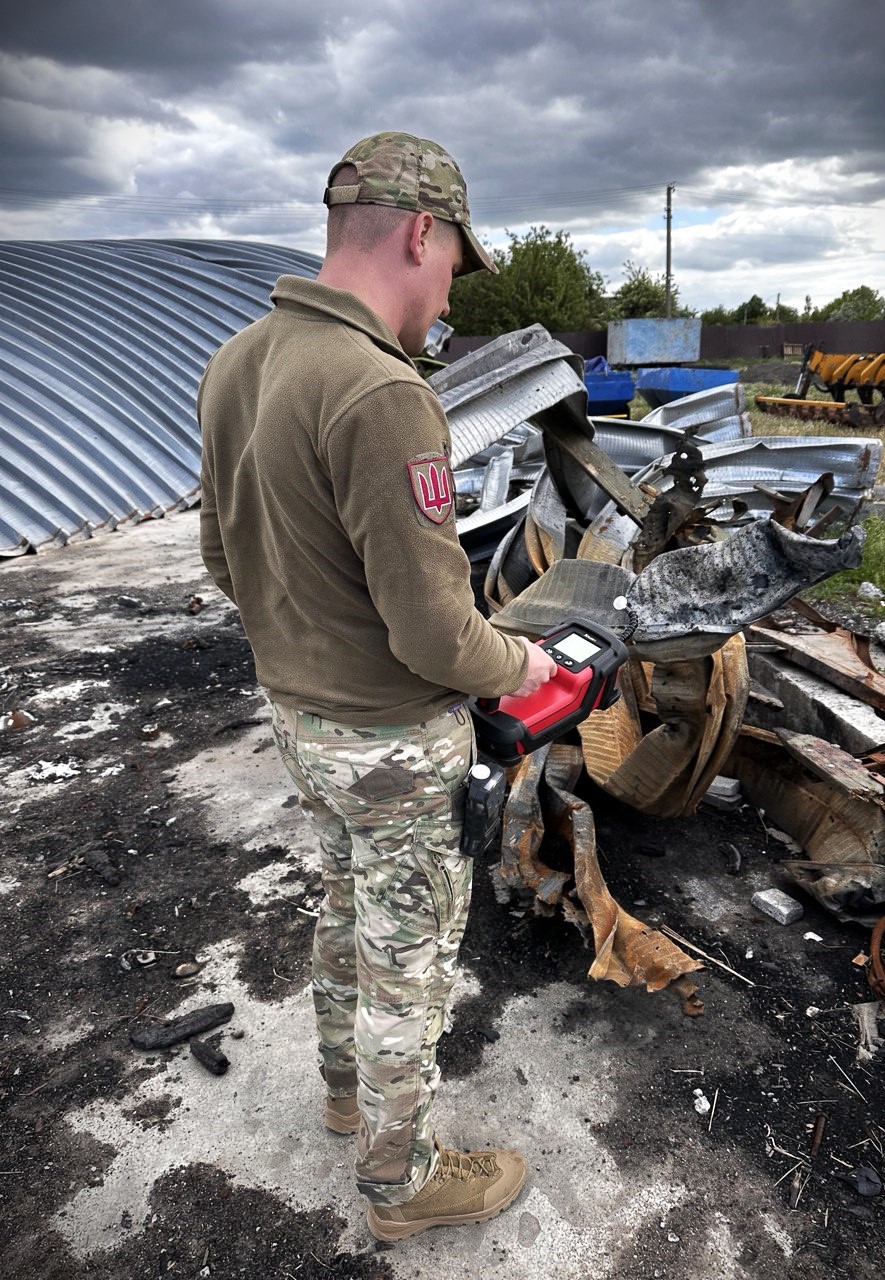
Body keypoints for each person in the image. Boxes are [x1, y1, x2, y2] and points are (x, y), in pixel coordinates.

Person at [197, 131, 555, 1242]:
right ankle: (401, 1185)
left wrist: (305, 636)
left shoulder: (241, 359)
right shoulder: (383, 393)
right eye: (452, 264)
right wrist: (528, 661)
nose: (447, 294)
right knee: (410, 959)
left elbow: (223, 556)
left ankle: (345, 1091)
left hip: (299, 717)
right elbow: (437, 633)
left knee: (347, 907)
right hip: (395, 741)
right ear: (420, 231)